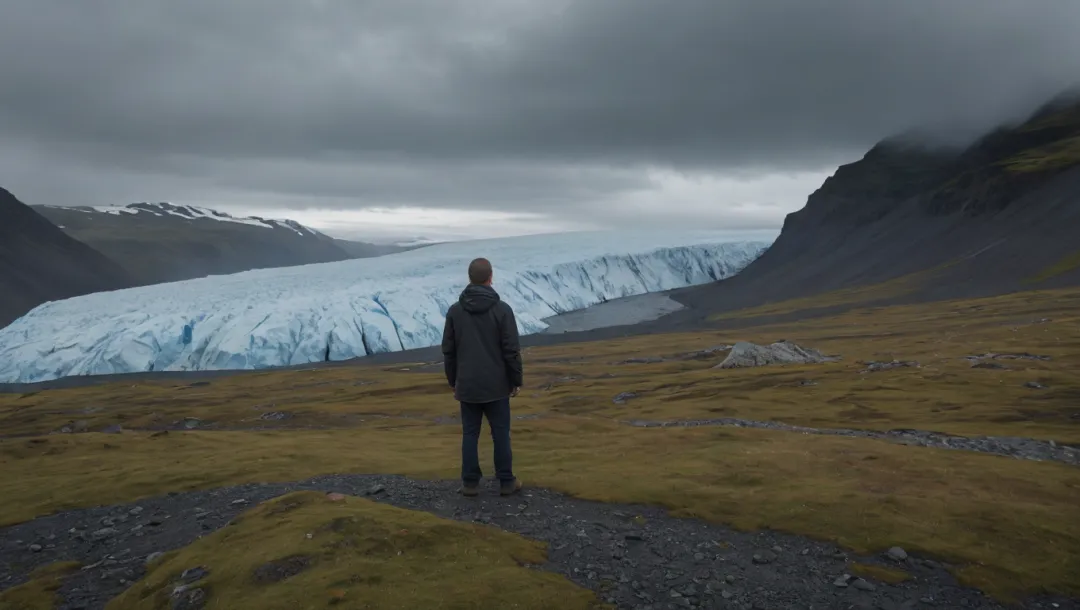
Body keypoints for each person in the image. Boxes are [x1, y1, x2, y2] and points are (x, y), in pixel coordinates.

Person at [441, 257, 524, 497]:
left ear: (470, 278)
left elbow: (449, 350)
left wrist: (453, 380)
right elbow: (511, 349)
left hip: (467, 384)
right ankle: (506, 481)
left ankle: (470, 483)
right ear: (490, 277)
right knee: (500, 433)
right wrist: (516, 380)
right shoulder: (502, 310)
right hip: (497, 385)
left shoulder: (456, 311)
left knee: (470, 433)